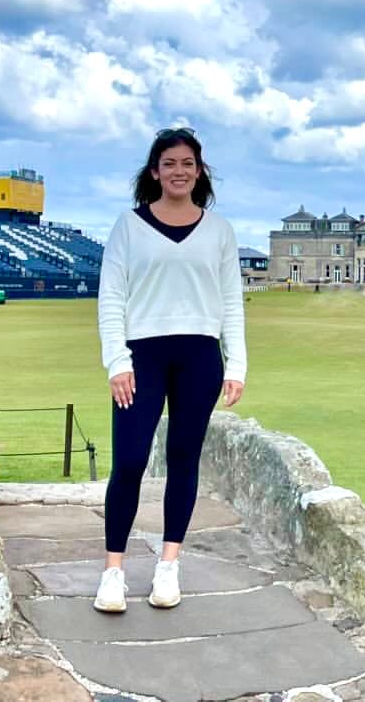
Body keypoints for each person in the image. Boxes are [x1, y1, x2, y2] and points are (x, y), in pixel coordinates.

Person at [94, 127, 246, 613]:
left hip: (200, 356)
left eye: (187, 163)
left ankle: (168, 565)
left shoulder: (219, 231)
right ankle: (113, 572)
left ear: (199, 171)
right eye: (169, 163)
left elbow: (231, 301)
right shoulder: (128, 225)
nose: (179, 171)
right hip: (142, 357)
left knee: (183, 459)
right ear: (155, 171)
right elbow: (111, 298)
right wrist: (117, 361)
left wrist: (237, 364)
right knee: (130, 461)